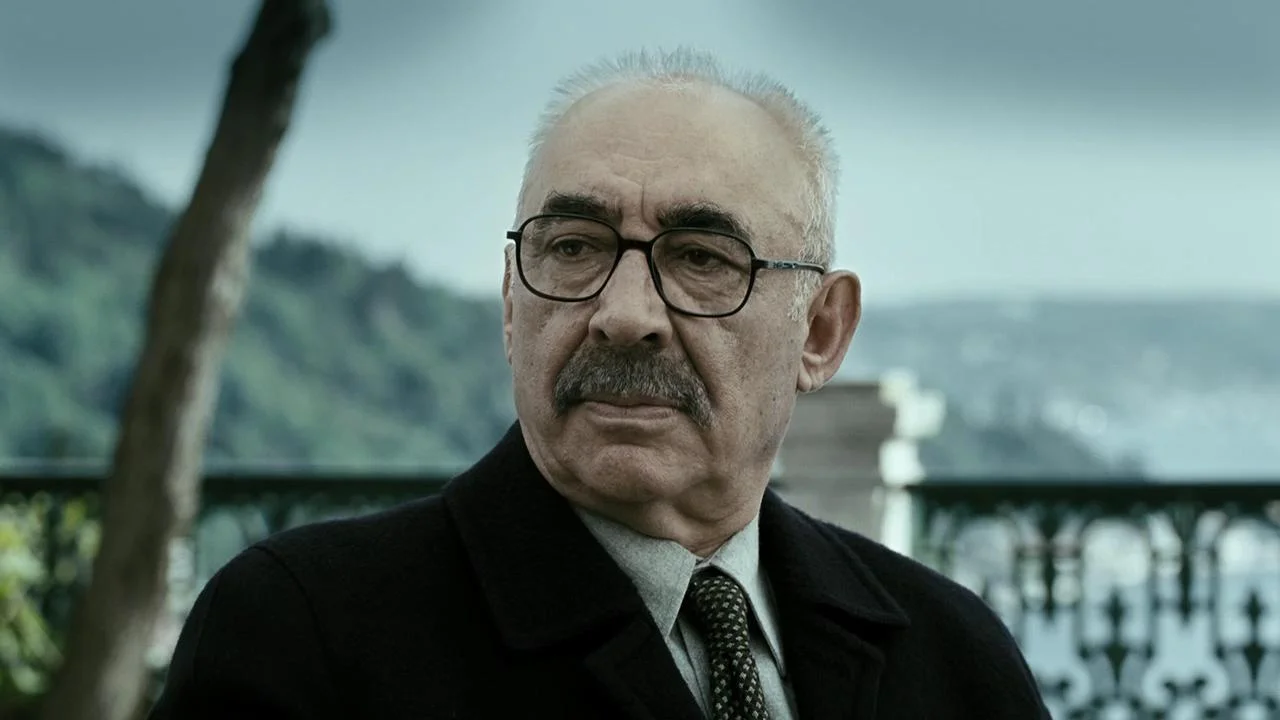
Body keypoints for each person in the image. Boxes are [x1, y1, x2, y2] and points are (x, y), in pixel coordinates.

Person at [149, 48, 1050, 719]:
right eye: (574, 248)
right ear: (513, 304)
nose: (624, 314)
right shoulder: (307, 634)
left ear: (820, 332)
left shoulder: (951, 653)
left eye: (701, 258)